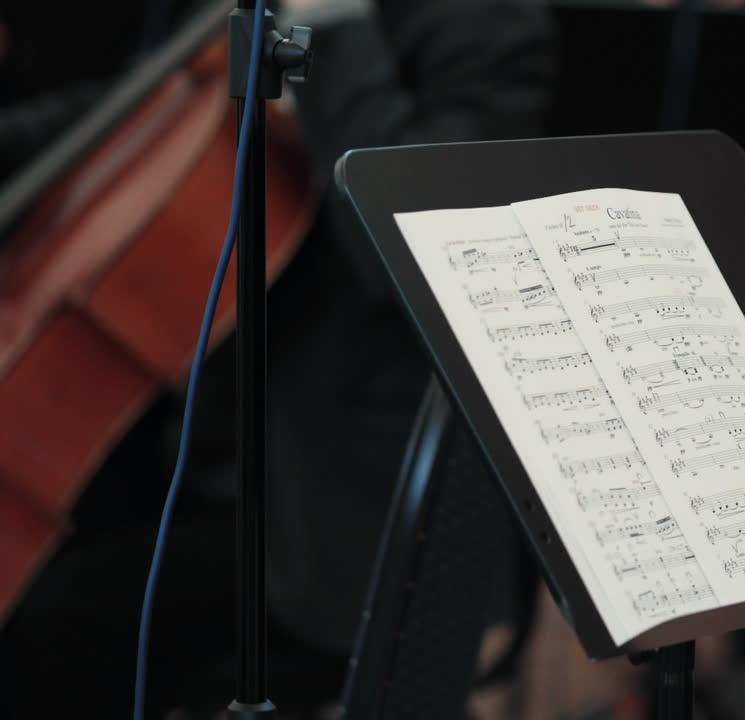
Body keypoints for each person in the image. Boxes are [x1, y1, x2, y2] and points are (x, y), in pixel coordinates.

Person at [0, 1, 556, 717]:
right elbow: (129, 114)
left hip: (339, 502)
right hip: (197, 444)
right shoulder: (253, 9)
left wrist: (337, 26)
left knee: (67, 618)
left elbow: (415, 267)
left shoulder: (488, 25)